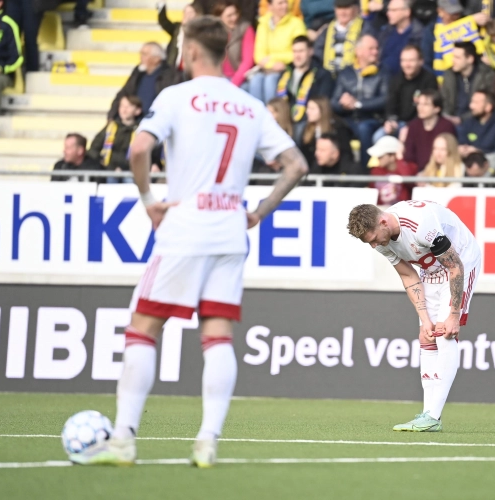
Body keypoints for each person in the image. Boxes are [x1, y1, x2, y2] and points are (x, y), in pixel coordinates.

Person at [69, 17, 308, 468]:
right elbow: (296, 164)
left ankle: (123, 439)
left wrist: (148, 199)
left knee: (143, 328)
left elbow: (139, 148)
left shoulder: (176, 97)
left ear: (192, 51)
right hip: (230, 230)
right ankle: (208, 440)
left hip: (186, 225)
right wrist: (258, 211)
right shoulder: (249, 105)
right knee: (217, 335)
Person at [347, 201, 481, 432]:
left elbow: (455, 267)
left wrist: (453, 314)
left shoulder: (421, 226)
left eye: (373, 239)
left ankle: (433, 416)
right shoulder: (382, 241)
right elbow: (408, 276)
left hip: (460, 261)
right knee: (427, 336)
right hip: (429, 270)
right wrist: (424, 318)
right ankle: (427, 415)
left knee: (445, 334)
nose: (374, 245)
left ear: (383, 221)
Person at [331, 34, 388, 168]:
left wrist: (357, 104)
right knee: (335, 126)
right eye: (371, 48)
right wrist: (343, 104)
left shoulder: (383, 72)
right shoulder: (346, 73)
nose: (375, 52)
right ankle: (344, 170)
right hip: (349, 120)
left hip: (373, 119)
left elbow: (385, 100)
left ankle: (365, 171)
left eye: (376, 48)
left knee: (364, 128)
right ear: (359, 51)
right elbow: (333, 102)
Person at [376, 44, 437, 142]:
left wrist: (411, 127)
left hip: (421, 124)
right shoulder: (396, 79)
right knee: (378, 137)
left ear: (421, 61)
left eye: (411, 60)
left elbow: (429, 110)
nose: (407, 64)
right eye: (403, 60)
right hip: (398, 124)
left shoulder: (429, 80)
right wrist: (390, 121)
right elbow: (390, 105)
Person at [250, 0, 307, 103]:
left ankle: (273, 116)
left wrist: (271, 58)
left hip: (287, 67)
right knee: (256, 81)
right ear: (270, 6)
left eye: (285, 2)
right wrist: (272, 64)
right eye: (280, 3)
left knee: (270, 81)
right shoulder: (263, 24)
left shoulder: (296, 24)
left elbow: (299, 52)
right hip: (268, 68)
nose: (284, 6)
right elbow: (258, 55)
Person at [275, 35, 334, 133]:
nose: (297, 56)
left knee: (298, 130)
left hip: (308, 121)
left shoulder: (322, 74)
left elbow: (322, 104)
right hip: (286, 120)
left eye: (301, 51)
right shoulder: (286, 73)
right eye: (295, 51)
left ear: (310, 51)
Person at [421, 0, 488, 85]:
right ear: (440, 11)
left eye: (457, 12)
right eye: (451, 13)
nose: (456, 16)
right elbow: (427, 60)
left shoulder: (468, 23)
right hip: (443, 80)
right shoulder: (431, 31)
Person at [108, 42, 179, 122]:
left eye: (145, 54)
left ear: (156, 59)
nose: (141, 57)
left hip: (156, 123)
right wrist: (111, 117)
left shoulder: (169, 76)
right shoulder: (138, 73)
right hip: (134, 123)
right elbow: (123, 93)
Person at [440, 41, 495, 127]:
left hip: (477, 122)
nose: (453, 60)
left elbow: (489, 104)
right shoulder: (449, 75)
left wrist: (461, 119)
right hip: (451, 122)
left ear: (470, 59)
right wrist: (447, 118)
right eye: (453, 57)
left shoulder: (487, 76)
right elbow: (444, 100)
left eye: (457, 58)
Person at [89, 95, 143, 183]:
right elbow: (94, 148)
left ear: (137, 111)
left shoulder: (140, 130)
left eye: (128, 106)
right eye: (122, 106)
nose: (124, 109)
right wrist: (105, 165)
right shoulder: (110, 127)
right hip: (109, 171)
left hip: (131, 172)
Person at [403, 89, 456, 170]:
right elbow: (409, 155)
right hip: (417, 174)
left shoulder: (447, 126)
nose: (420, 107)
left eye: (426, 104)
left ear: (437, 109)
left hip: (441, 172)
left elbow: (450, 154)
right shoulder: (413, 125)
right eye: (419, 104)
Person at [298, 95, 354, 167]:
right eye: (307, 108)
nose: (307, 112)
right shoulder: (307, 130)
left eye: (312, 109)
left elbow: (346, 154)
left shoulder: (338, 128)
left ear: (322, 110)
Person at [370, 0, 423, 76]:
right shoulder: (385, 32)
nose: (388, 13)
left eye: (393, 10)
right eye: (388, 10)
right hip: (382, 78)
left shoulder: (419, 35)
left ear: (407, 12)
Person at [313, 0, 363, 78]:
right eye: (339, 8)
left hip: (353, 77)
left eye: (346, 8)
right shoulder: (327, 30)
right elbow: (317, 54)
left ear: (355, 9)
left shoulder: (364, 28)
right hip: (329, 77)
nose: (342, 12)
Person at [457, 90, 495, 156]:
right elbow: (461, 140)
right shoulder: (469, 121)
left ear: (488, 107)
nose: (471, 106)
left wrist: (478, 152)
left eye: (476, 103)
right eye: (472, 102)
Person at [368, 135, 418, 204]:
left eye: (381, 156)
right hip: (380, 211)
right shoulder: (375, 171)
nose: (378, 158)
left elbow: (409, 179)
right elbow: (371, 195)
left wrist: (400, 158)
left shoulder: (409, 168)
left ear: (392, 156)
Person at [215, 0, 255, 87]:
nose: (234, 18)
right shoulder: (215, 32)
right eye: (229, 16)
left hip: (239, 80)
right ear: (219, 18)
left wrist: (233, 84)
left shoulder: (245, 29)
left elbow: (248, 62)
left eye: (235, 13)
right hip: (219, 78)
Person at [159, 1, 203, 69]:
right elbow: (164, 22)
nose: (187, 15)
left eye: (190, 13)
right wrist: (162, 5)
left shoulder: (200, 31)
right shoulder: (177, 28)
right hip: (174, 69)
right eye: (185, 12)